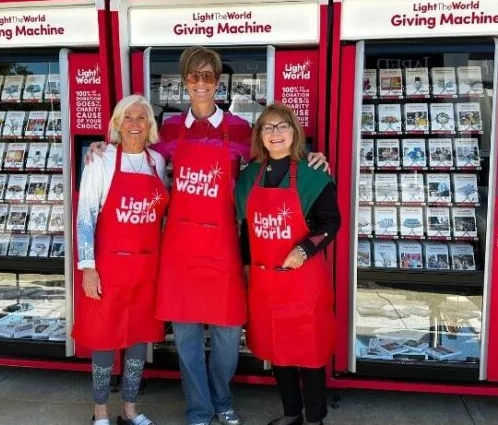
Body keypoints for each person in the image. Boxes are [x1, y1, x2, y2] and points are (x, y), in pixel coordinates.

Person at [85, 46, 328, 425]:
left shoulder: (240, 129)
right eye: (194, 77)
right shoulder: (165, 130)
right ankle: (199, 409)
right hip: (179, 249)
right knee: (186, 341)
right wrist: (102, 145)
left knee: (229, 336)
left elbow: (273, 161)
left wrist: (312, 157)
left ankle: (223, 400)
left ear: (218, 82)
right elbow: (132, 149)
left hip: (224, 247)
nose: (201, 84)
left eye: (209, 77)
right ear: (185, 82)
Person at [235, 104, 340, 425]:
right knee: (276, 347)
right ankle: (291, 413)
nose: (275, 133)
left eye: (282, 127)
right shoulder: (249, 176)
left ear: (294, 133)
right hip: (265, 282)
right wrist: (245, 266)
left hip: (303, 281)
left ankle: (315, 417)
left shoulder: (312, 174)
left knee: (308, 350)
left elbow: (330, 222)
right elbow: (244, 228)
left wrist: (305, 249)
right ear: (260, 136)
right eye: (267, 128)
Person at [73, 95, 169, 425]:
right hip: (109, 268)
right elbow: (85, 217)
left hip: (147, 268)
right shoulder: (100, 160)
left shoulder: (157, 162)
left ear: (150, 126)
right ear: (116, 123)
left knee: (139, 340)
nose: (134, 123)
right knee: (104, 339)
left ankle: (130, 410)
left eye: (141, 118)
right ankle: (100, 411)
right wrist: (88, 267)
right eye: (127, 117)